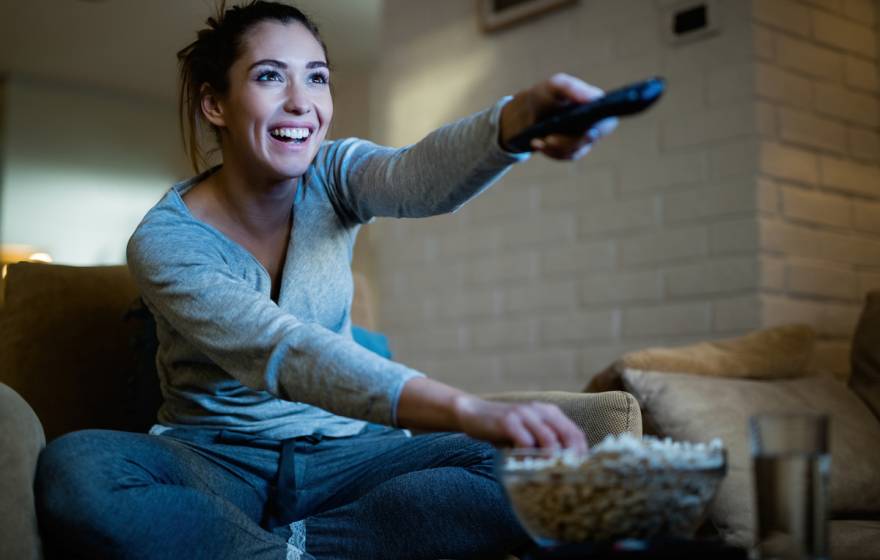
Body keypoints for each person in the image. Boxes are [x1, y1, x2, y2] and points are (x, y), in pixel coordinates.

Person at [34, 2, 617, 559]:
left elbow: (415, 176)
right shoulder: (166, 241)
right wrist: (464, 408)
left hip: (348, 455)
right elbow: (283, 350)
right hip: (215, 461)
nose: (301, 103)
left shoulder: (334, 174)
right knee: (79, 469)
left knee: (538, 474)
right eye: (269, 77)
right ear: (216, 103)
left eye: (317, 78)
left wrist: (514, 123)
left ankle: (282, 550)